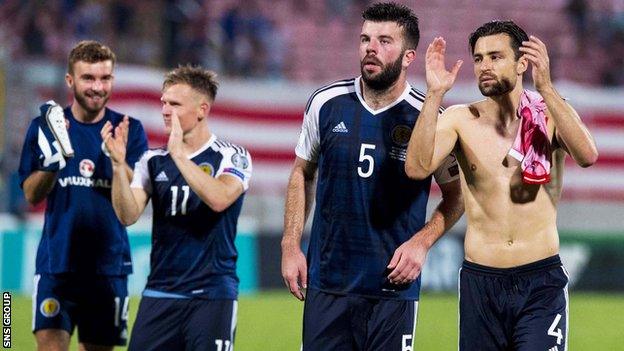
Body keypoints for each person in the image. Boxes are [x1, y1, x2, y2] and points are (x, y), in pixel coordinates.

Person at [405, 20, 598, 351]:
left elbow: (587, 155)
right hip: (481, 283)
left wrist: (547, 89)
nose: (485, 67)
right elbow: (417, 168)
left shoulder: (549, 112)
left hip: (541, 282)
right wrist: (435, 94)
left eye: (495, 56)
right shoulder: (460, 119)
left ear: (522, 63)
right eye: (479, 59)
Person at [280, 3, 464, 350]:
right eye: (365, 39)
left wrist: (421, 243)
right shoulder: (326, 103)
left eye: (384, 40)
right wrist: (290, 245)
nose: (371, 48)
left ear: (409, 56)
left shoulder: (428, 118)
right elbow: (301, 172)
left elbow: (457, 197)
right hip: (328, 285)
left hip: (392, 289)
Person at [104, 65, 252, 351]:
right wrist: (117, 166)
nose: (165, 110)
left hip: (211, 295)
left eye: (174, 104)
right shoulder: (152, 160)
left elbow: (220, 198)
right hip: (160, 293)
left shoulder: (231, 155)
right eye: (163, 102)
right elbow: (127, 214)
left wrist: (180, 156)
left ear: (201, 110)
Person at [18, 40, 149, 351]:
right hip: (56, 265)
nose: (97, 87)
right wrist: (53, 165)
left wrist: (119, 160)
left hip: (108, 268)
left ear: (113, 80)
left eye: (105, 78)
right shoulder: (45, 127)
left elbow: (139, 195)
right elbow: (30, 195)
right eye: (88, 78)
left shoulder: (129, 129)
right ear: (70, 81)